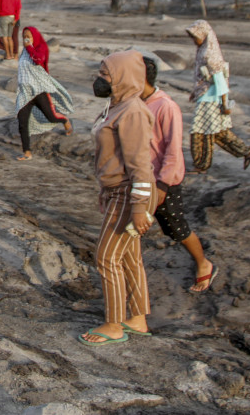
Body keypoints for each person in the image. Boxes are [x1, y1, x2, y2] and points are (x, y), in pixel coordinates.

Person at [80, 50, 155, 346]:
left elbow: (141, 165)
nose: (100, 79)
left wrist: (139, 208)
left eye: (106, 74)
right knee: (129, 256)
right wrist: (104, 190)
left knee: (106, 257)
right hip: (116, 191)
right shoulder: (117, 106)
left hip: (129, 194)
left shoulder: (133, 112)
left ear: (122, 77)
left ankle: (113, 323)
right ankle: (137, 317)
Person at [141, 55, 216, 294]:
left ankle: (203, 262)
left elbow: (173, 150)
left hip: (163, 181)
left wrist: (162, 185)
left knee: (176, 228)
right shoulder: (133, 102)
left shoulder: (166, 106)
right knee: (131, 226)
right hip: (140, 179)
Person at [185, 20, 250, 173]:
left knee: (200, 133)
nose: (194, 40)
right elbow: (204, 76)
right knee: (218, 133)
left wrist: (224, 103)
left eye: (195, 36)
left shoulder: (210, 54)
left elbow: (220, 80)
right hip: (206, 96)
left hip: (210, 100)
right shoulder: (204, 50)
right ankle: (246, 151)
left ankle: (201, 165)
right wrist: (195, 91)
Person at [15, 26, 73, 161]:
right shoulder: (24, 51)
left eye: (29, 35)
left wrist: (29, 47)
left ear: (35, 36)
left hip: (39, 91)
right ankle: (27, 152)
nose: (26, 38)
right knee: (22, 122)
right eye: (24, 36)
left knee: (51, 116)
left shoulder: (41, 48)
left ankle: (64, 120)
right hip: (25, 93)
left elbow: (38, 60)